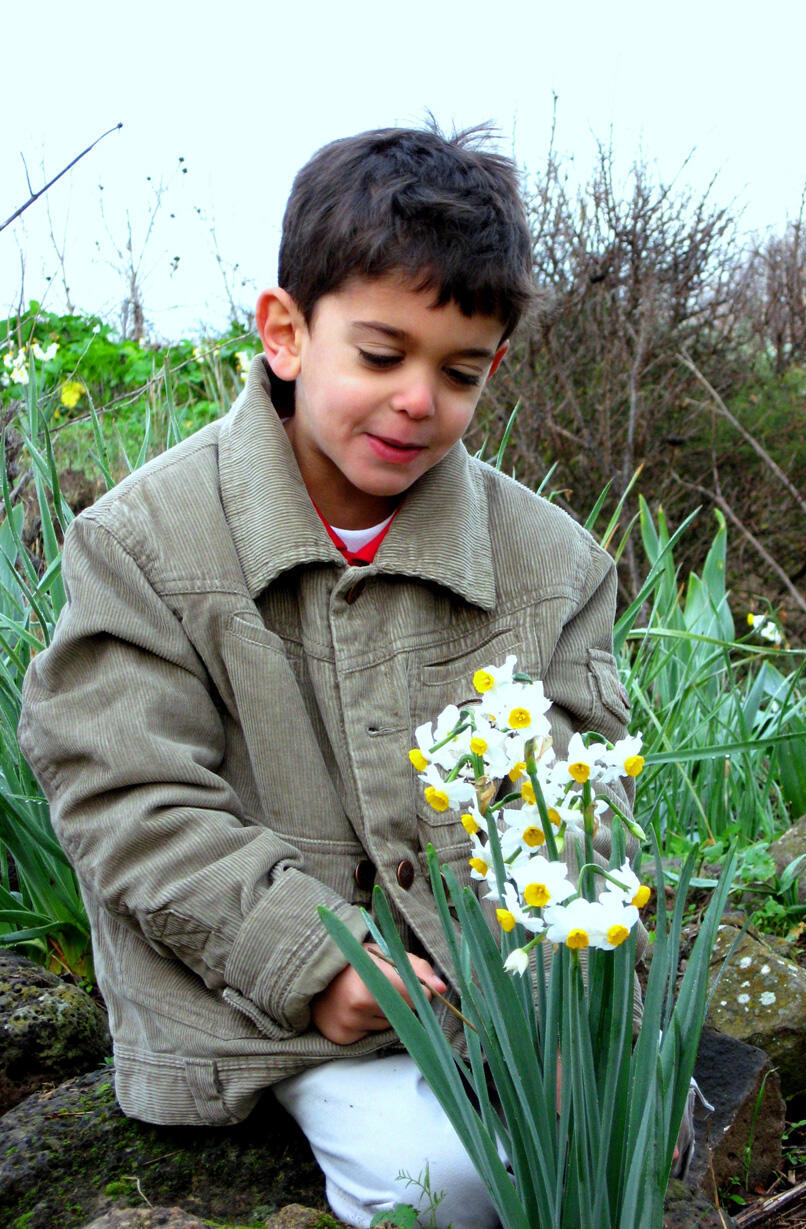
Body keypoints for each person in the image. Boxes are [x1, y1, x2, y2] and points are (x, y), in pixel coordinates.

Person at [19, 125, 646, 1228]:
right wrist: (319, 957)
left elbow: (581, 791)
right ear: (285, 332)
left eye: (460, 372)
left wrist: (546, 980)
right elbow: (126, 790)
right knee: (442, 1183)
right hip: (274, 995)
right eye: (379, 353)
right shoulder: (145, 542)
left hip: (497, 977)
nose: (418, 401)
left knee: (623, 1127)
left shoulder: (551, 563)